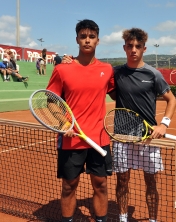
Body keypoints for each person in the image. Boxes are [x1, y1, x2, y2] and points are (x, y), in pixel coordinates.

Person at [46, 19, 115, 222]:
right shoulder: (62, 69)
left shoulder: (107, 69)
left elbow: (120, 94)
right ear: (77, 39)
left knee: (101, 185)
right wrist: (63, 124)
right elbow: (51, 101)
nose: (87, 41)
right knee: (69, 186)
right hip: (71, 139)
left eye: (91, 37)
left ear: (98, 41)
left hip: (99, 139)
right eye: (83, 37)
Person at [109, 28, 176, 222]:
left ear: (144, 49)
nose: (134, 50)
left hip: (148, 137)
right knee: (122, 181)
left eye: (138, 46)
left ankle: (152, 220)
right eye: (130, 46)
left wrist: (163, 125)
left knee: (151, 182)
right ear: (124, 47)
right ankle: (123, 218)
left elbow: (171, 100)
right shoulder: (116, 73)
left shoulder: (153, 74)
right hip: (122, 137)